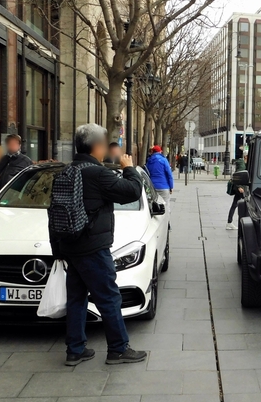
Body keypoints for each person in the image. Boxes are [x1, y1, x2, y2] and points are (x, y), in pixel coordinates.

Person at [50, 123, 147, 366]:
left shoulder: (66, 172)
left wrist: (58, 250)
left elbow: (52, 213)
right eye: (103, 144)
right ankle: (118, 349)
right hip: (93, 248)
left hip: (70, 246)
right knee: (109, 298)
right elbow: (132, 191)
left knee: (76, 298)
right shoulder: (97, 173)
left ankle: (75, 350)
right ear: (96, 146)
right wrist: (129, 168)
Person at [146, 145, 173, 210]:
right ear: (160, 151)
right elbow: (169, 175)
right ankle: (167, 219)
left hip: (152, 187)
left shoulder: (149, 161)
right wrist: (171, 187)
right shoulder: (164, 160)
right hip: (164, 187)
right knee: (165, 206)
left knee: (154, 207)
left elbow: (146, 173)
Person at [226, 153, 247, 230]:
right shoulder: (242, 164)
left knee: (235, 205)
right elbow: (239, 176)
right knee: (245, 205)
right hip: (240, 189)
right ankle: (241, 222)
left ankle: (229, 222)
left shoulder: (242, 163)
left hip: (239, 188)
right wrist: (239, 187)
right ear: (246, 157)